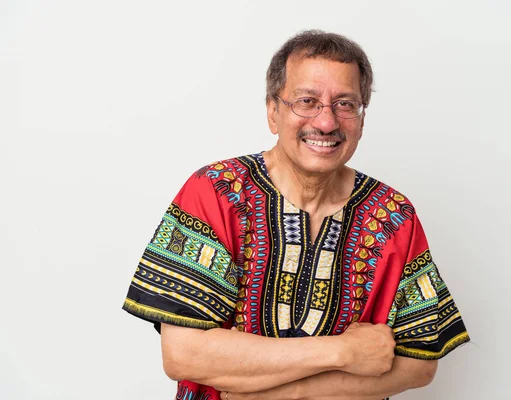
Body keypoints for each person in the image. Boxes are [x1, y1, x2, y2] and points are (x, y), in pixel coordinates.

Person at [123, 30, 470, 400]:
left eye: (345, 104)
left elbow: (419, 363)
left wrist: (279, 393)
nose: (325, 122)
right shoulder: (217, 192)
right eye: (307, 101)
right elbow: (184, 355)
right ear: (273, 112)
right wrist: (344, 352)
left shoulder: (394, 216)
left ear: (362, 118)